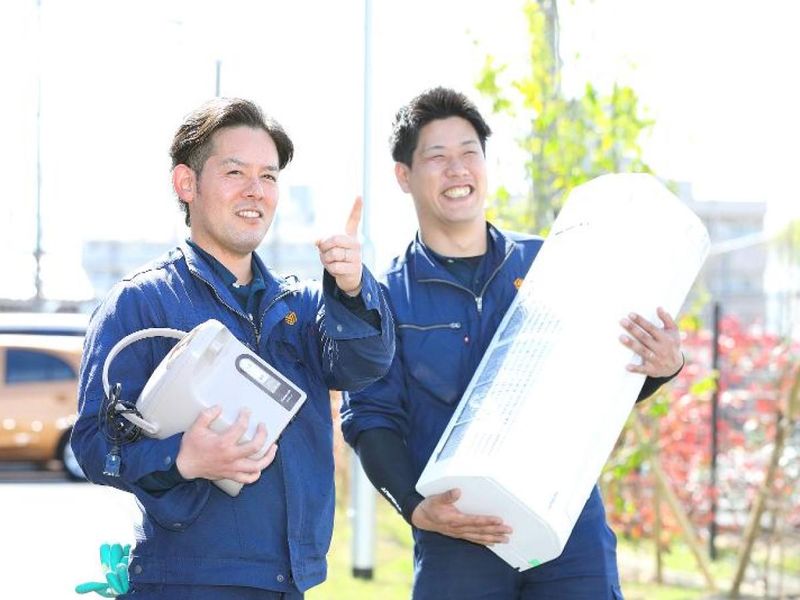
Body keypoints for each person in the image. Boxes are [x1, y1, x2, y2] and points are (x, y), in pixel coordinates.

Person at [340, 87, 684, 599]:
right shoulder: (386, 296)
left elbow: (602, 379)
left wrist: (663, 365)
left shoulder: (553, 263)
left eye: (469, 153)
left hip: (566, 531)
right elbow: (371, 418)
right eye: (438, 157)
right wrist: (414, 507)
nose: (458, 169)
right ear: (404, 176)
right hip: (458, 536)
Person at [72, 97, 395, 599]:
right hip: (187, 582)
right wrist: (183, 459)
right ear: (187, 183)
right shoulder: (142, 303)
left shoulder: (303, 306)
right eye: (235, 172)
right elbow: (95, 445)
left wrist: (352, 291)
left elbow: (363, 365)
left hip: (290, 580)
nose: (255, 190)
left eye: (268, 176)